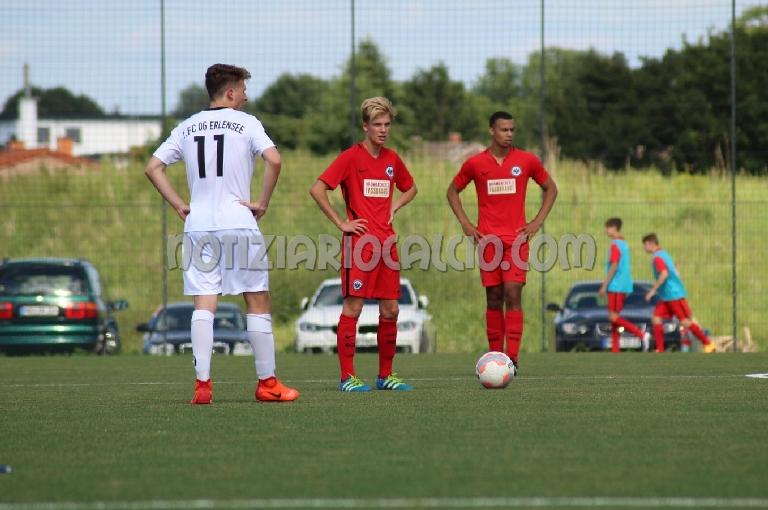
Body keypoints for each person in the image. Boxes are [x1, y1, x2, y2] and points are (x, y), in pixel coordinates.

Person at [145, 63, 299, 404]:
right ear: (230, 92)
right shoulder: (247, 123)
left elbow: (152, 167)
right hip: (238, 221)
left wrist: (179, 205)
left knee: (204, 302)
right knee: (256, 297)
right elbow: (274, 160)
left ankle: (203, 386)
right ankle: (268, 383)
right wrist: (262, 202)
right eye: (243, 89)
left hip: (198, 224)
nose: (245, 95)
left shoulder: (186, 126)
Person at [309, 97, 418, 392]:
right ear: (365, 127)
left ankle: (385, 376)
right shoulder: (350, 158)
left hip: (388, 247)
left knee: (391, 310)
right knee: (353, 307)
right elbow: (317, 189)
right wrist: (341, 223)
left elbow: (411, 188)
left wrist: (394, 207)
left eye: (387, 125)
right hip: (360, 247)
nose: (383, 130)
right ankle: (347, 377)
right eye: (377, 125)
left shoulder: (392, 159)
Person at [446, 111, 557, 370]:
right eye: (504, 130)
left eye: (512, 130)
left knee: (512, 293)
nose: (509, 134)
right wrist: (466, 224)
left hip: (516, 241)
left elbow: (551, 188)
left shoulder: (526, 161)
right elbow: (452, 191)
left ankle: (513, 359)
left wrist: (536, 222)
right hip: (488, 242)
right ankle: (496, 357)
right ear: (491, 131)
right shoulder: (475, 164)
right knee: (494, 297)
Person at [641, 233, 716, 353]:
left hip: (672, 294)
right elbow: (675, 270)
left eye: (644, 245)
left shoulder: (658, 258)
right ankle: (659, 349)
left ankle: (708, 343)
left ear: (650, 244)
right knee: (656, 318)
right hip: (668, 295)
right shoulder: (663, 253)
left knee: (684, 321)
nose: (644, 248)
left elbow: (664, 274)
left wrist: (652, 291)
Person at [598, 218, 650, 352]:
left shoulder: (615, 245)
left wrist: (604, 285)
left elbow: (614, 265)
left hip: (616, 285)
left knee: (613, 317)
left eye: (607, 227)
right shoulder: (624, 243)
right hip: (623, 285)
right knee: (614, 320)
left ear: (614, 228)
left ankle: (641, 334)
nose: (605, 230)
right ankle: (615, 350)